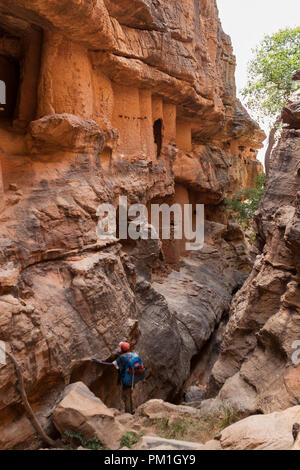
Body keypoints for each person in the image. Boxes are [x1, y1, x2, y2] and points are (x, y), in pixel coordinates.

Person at [93, 341, 145, 414]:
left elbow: (111, 364)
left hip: (127, 378)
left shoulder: (122, 357)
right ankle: (132, 409)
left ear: (122, 349)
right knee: (130, 393)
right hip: (134, 377)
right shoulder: (134, 354)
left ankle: (128, 412)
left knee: (125, 395)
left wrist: (99, 362)